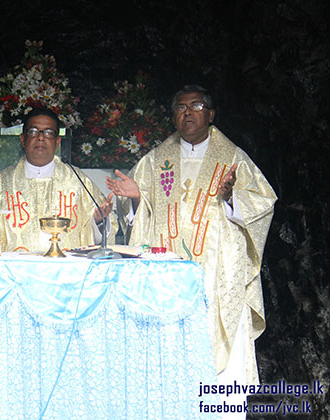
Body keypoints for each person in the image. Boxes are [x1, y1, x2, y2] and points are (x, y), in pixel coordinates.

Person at [107, 85, 277, 412]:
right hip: (167, 279)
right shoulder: (155, 162)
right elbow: (138, 220)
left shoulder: (234, 159)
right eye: (180, 107)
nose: (188, 112)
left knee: (223, 371)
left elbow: (264, 203)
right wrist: (136, 199)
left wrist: (231, 197)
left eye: (196, 105)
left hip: (219, 276)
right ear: (173, 117)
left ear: (210, 114)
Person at [0, 107, 118, 253]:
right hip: (15, 275)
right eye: (33, 131)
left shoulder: (79, 182)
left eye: (48, 132)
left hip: (66, 274)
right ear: (22, 139)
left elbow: (101, 236)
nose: (41, 137)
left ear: (57, 142)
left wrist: (98, 221)